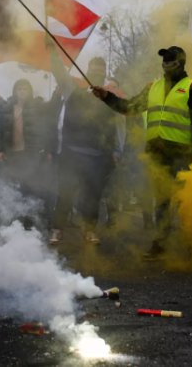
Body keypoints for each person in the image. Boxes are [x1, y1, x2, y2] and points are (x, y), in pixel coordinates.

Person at [92, 45, 192, 259]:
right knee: (161, 198)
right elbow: (129, 107)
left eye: (170, 59)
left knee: (185, 198)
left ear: (180, 62)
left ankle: (191, 243)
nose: (165, 63)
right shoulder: (152, 87)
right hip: (157, 152)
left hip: (182, 152)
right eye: (163, 59)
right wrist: (107, 97)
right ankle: (160, 243)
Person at [48, 53, 118, 245]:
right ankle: (57, 229)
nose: (97, 71)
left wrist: (114, 151)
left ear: (104, 73)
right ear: (88, 69)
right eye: (94, 67)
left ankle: (89, 230)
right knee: (66, 192)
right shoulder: (74, 89)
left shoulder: (108, 97)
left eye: (101, 69)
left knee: (93, 195)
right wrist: (53, 51)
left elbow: (112, 126)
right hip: (72, 152)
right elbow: (59, 73)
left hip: (97, 155)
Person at [0, 79, 52, 227]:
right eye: (19, 88)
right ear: (14, 91)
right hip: (11, 154)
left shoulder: (37, 108)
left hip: (30, 154)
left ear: (30, 91)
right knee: (13, 186)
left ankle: (29, 220)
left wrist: (45, 149)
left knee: (29, 186)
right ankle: (14, 219)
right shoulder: (7, 108)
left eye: (25, 89)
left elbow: (45, 129)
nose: (22, 92)